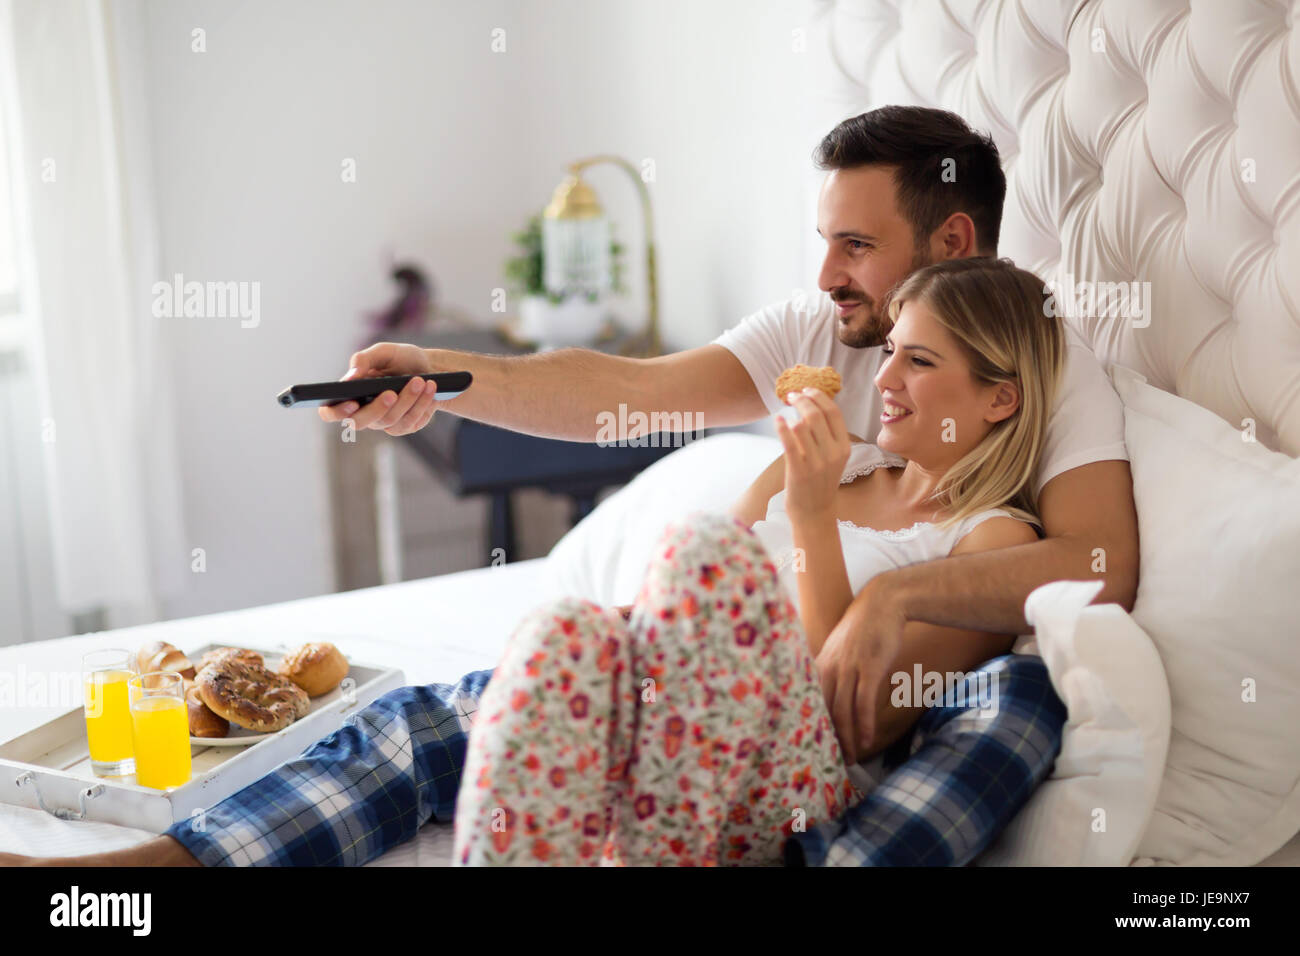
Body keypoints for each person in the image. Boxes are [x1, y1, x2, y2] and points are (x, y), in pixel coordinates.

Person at [0, 105, 1135, 868]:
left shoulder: (1043, 365)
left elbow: (1096, 567)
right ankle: (151, 866)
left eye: (853, 244)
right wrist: (444, 383)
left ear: (945, 235)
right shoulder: (831, 337)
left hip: (795, 725)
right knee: (497, 674)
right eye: (822, 242)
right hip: (705, 668)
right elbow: (617, 391)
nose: (826, 277)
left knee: (683, 573)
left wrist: (883, 588)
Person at [451, 257, 1066, 864]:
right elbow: (675, 612)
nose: (883, 380)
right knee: (564, 631)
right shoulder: (839, 459)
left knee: (706, 551)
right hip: (674, 741)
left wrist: (813, 516)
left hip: (801, 779)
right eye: (889, 352)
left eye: (920, 361)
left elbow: (856, 724)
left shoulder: (992, 541)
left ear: (1000, 400)